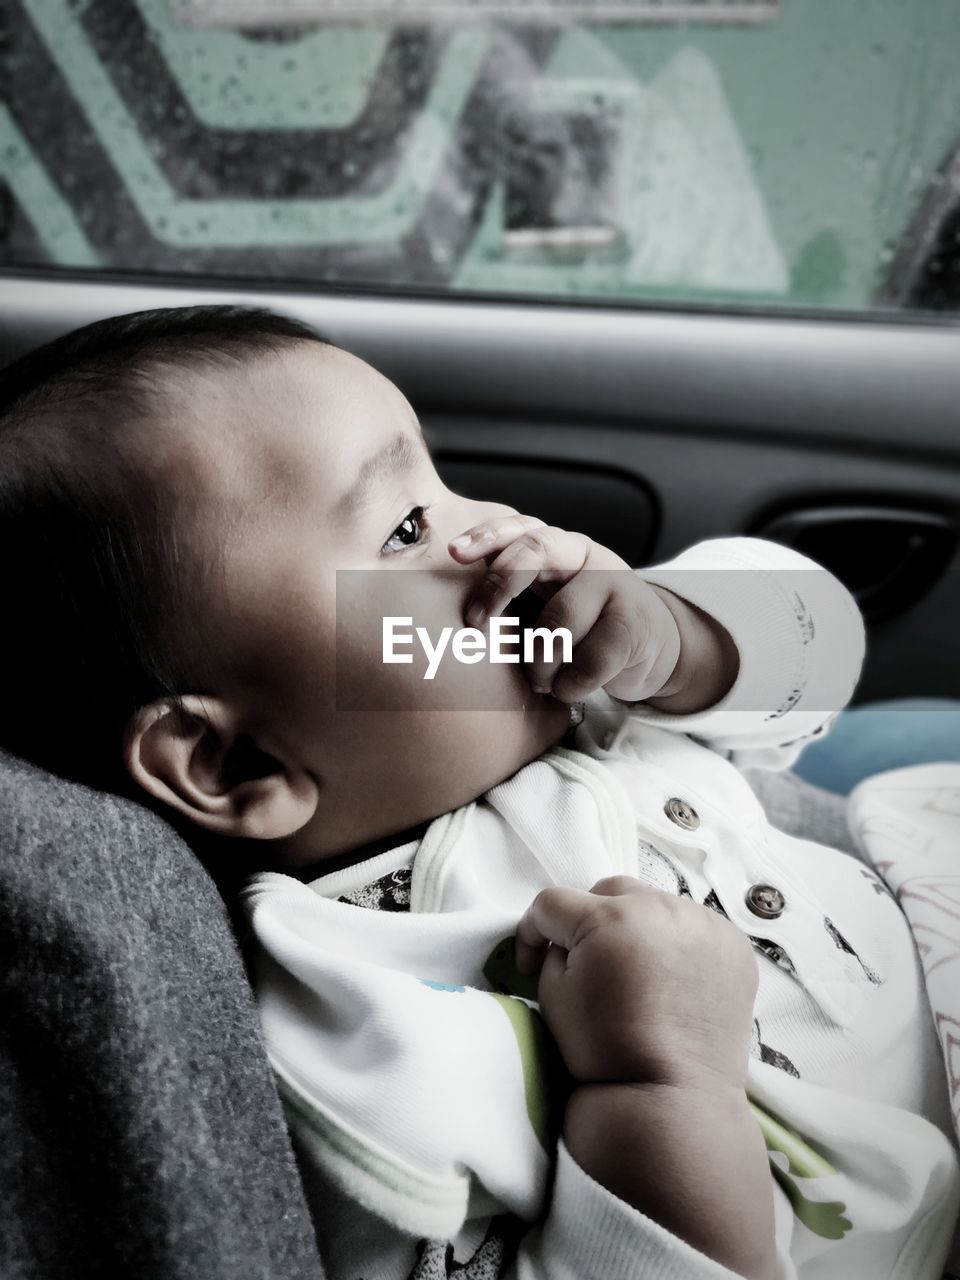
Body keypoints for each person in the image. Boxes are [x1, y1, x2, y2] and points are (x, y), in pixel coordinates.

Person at [0, 306, 956, 1280]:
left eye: (445, 483)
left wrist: (680, 634)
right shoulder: (368, 1031)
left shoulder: (600, 698)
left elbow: (824, 643)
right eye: (408, 528)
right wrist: (662, 1083)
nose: (497, 534)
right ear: (238, 763)